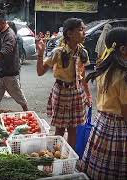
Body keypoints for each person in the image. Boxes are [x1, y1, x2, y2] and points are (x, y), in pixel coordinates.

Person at [80, 27, 127, 179]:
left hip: (101, 123)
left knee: (99, 163)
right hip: (117, 128)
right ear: (123, 48)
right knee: (115, 168)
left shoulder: (103, 68)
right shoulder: (124, 75)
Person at [35, 18, 92, 148]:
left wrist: (88, 95)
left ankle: (69, 157)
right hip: (61, 92)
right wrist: (41, 53)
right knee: (60, 129)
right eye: (81, 29)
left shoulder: (83, 52)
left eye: (84, 29)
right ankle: (56, 155)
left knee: (73, 129)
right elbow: (40, 72)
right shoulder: (58, 52)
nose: (85, 32)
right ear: (69, 33)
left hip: (78, 93)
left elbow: (82, 76)